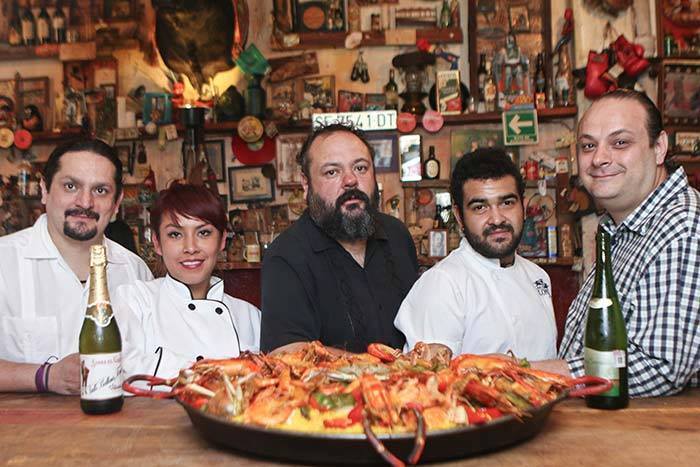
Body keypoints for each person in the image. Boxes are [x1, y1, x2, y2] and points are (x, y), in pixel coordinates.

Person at [537, 89, 700, 397]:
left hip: (649, 427)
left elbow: (659, 366)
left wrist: (530, 377)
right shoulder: (619, 226)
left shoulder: (682, 226)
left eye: (620, 142)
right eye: (588, 145)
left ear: (659, 148)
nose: (599, 158)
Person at [0, 139, 153, 394]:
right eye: (71, 186)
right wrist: (45, 376)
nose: (85, 202)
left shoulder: (135, 272)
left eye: (100, 190)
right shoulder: (4, 262)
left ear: (117, 203)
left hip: (118, 418)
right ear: (45, 190)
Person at [260, 123, 418, 353]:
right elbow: (285, 352)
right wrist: (380, 366)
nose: (350, 180)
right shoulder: (286, 255)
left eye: (361, 168)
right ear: (306, 183)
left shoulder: (397, 235)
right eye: (332, 172)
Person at [395, 148, 556, 359]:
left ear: (523, 207)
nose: (497, 219)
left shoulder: (538, 276)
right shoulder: (442, 285)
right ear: (459, 216)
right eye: (480, 207)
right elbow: (428, 376)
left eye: (507, 203)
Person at [113, 183, 260, 380]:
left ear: (222, 240)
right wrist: (211, 375)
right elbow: (116, 365)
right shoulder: (135, 301)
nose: (190, 247)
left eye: (203, 233)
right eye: (175, 234)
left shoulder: (250, 316)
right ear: (157, 243)